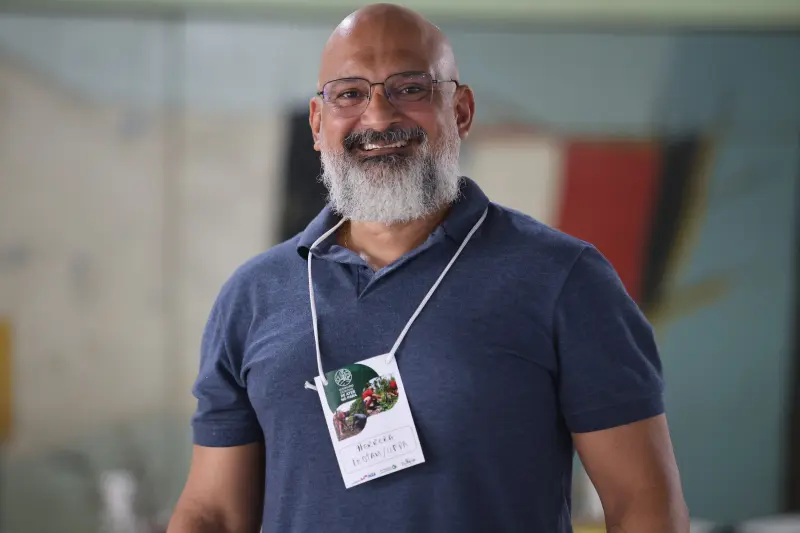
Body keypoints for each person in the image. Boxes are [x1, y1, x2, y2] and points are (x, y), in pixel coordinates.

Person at [167, 3, 689, 533]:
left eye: (410, 88)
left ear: (460, 110)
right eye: (350, 93)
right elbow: (213, 512)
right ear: (318, 122)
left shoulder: (565, 279)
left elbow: (641, 502)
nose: (377, 116)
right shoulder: (253, 296)